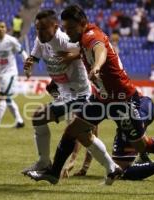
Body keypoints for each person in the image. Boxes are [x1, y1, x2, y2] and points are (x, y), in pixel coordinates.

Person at [26, 5, 154, 185]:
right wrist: (66, 65)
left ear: (82, 23)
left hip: (123, 101)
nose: (67, 33)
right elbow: (79, 52)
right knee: (72, 130)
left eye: (71, 28)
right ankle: (53, 173)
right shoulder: (81, 39)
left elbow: (100, 50)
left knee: (141, 145)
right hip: (102, 99)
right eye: (65, 29)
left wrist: (97, 66)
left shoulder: (92, 36)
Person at [22, 10, 121, 185]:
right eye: (37, 29)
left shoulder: (65, 40)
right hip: (64, 94)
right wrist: (29, 63)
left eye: (44, 29)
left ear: (55, 26)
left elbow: (89, 48)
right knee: (83, 136)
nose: (40, 33)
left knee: (40, 116)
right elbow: (34, 57)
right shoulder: (40, 41)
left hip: (81, 94)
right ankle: (112, 168)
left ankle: (45, 163)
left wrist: (73, 56)